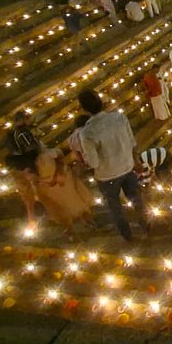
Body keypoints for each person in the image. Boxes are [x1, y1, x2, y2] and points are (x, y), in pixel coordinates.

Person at [77, 89, 149, 243]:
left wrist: (84, 161)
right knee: (137, 199)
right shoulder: (119, 117)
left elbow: (94, 163)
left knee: (115, 207)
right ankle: (146, 225)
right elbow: (132, 142)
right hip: (128, 167)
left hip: (107, 176)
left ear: (83, 109)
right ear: (101, 102)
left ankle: (127, 235)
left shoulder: (87, 133)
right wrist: (136, 161)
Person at [34, 145, 95, 239]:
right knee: (60, 209)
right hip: (49, 188)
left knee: (78, 202)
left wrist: (60, 172)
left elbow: (59, 155)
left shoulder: (46, 155)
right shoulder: (31, 165)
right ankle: (69, 229)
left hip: (63, 181)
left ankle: (89, 221)